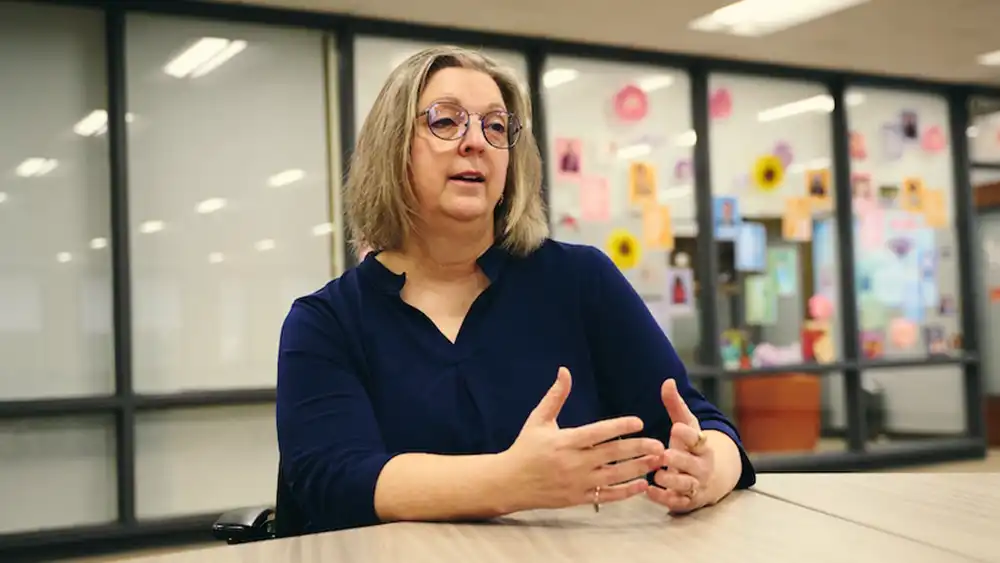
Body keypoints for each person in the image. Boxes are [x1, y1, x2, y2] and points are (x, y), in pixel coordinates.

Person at [275, 45, 756, 536]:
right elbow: (333, 480)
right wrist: (514, 480)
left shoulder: (581, 280)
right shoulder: (325, 321)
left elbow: (703, 427)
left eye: (496, 127)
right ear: (392, 148)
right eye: (446, 121)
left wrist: (708, 470)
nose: (475, 142)